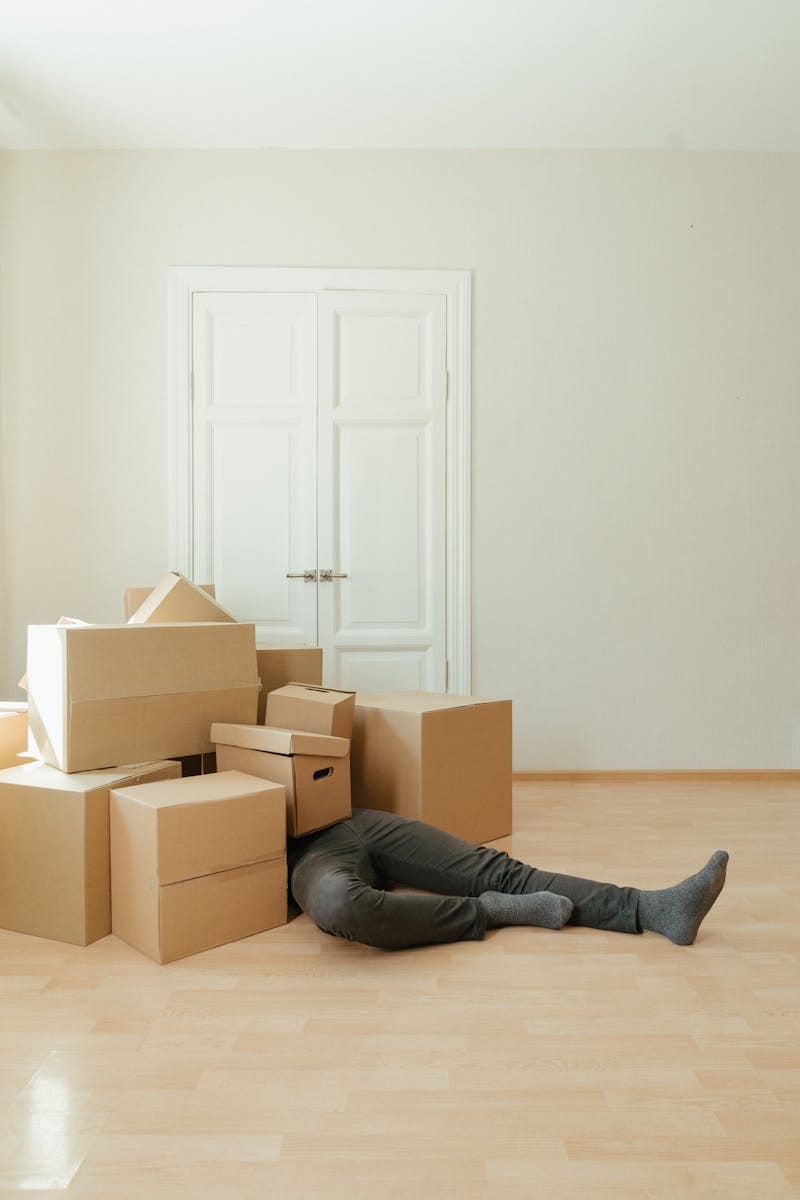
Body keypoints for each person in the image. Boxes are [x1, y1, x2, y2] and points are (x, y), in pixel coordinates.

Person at [288, 807, 729, 951]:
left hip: (345, 815)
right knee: (344, 904)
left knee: (501, 871)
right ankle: (492, 911)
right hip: (301, 853)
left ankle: (653, 908)